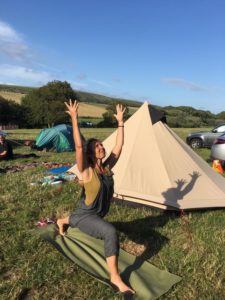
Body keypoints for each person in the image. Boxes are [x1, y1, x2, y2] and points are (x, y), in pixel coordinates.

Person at [57, 100, 135, 295]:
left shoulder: (107, 167)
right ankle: (115, 278)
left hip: (93, 214)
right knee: (110, 232)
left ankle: (62, 220)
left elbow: (119, 145)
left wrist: (120, 122)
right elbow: (78, 146)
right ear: (91, 153)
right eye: (97, 146)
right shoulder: (86, 171)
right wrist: (74, 118)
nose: (101, 147)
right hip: (87, 215)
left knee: (78, 217)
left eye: (101, 145)